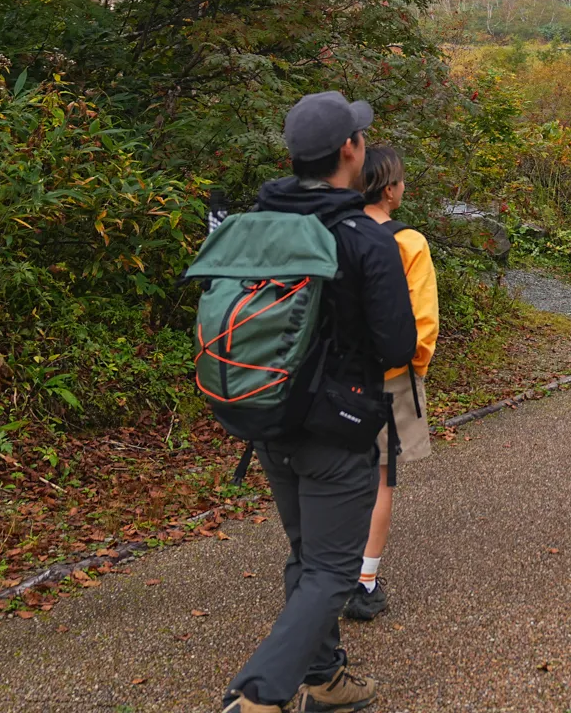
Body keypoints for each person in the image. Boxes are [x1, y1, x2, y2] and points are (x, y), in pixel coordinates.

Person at [223, 92, 417, 713]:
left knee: (308, 555)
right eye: (360, 137)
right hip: (336, 427)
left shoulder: (259, 222)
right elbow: (397, 345)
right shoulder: (363, 235)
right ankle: (258, 695)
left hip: (267, 412)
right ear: (349, 151)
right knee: (333, 570)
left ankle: (326, 679)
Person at [343, 145, 438, 621]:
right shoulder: (409, 242)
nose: (404, 187)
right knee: (382, 479)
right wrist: (415, 371)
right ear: (389, 189)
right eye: (401, 181)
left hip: (335, 379)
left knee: (338, 476)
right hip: (389, 378)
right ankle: (364, 580)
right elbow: (424, 319)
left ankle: (328, 569)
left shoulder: (334, 233)